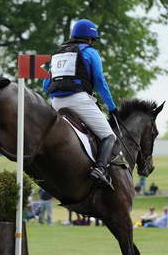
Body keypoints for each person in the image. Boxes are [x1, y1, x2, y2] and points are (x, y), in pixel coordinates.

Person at [43, 18, 117, 188]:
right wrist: (112, 107)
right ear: (90, 39)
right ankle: (100, 169)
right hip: (79, 101)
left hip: (56, 103)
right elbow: (99, 81)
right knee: (108, 135)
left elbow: (46, 84)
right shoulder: (90, 53)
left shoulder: (58, 54)